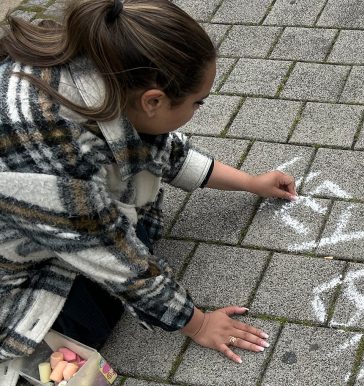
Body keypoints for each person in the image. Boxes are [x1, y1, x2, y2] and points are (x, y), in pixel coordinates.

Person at [0, 0, 296, 366]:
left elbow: (161, 150)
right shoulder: (53, 147)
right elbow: (105, 248)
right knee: (88, 326)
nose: (197, 109)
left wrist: (251, 183)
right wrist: (197, 322)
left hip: (50, 208)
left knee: (136, 239)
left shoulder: (103, 63)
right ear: (153, 100)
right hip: (12, 251)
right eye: (198, 103)